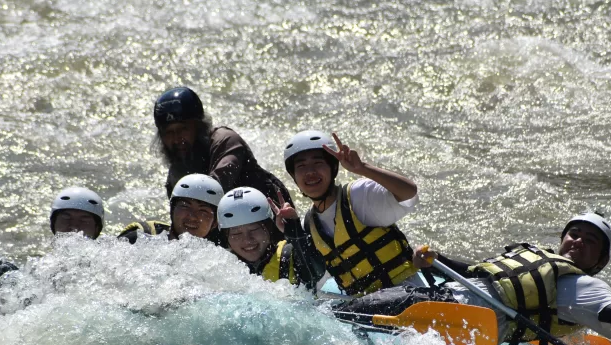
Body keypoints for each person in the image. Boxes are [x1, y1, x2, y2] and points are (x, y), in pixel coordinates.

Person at [340, 212, 611, 345]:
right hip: (448, 297)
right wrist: (434, 259)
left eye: (590, 240)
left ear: (600, 261)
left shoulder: (586, 286)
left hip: (461, 316)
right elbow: (475, 272)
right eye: (574, 233)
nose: (578, 241)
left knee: (342, 314)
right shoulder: (533, 256)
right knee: (349, 306)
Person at [282, 130, 433, 296]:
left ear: (333, 168)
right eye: (301, 166)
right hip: (365, 311)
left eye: (318, 163)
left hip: (407, 294)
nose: (310, 172)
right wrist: (291, 231)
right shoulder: (309, 224)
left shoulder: (358, 196)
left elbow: (409, 193)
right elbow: (311, 281)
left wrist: (363, 168)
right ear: (294, 176)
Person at [152, 86, 293, 204]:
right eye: (168, 133)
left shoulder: (226, 140)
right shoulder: (177, 172)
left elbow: (214, 189)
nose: (176, 139)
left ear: (198, 126)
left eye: (183, 129)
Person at [216, 187, 324, 289]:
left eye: (254, 229)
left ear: (269, 228)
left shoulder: (287, 256)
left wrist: (296, 234)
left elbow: (316, 273)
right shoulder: (222, 267)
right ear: (227, 238)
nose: (247, 240)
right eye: (236, 234)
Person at [118, 173, 223, 244]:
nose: (192, 217)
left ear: (215, 223)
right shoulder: (141, 238)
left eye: (203, 211)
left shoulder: (217, 259)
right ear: (172, 210)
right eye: (185, 206)